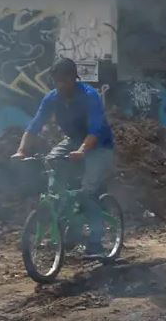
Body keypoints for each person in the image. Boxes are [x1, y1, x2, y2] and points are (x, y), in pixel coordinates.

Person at [12, 58, 115, 258]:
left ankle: (96, 243)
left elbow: (95, 129)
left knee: (87, 192)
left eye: (64, 80)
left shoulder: (90, 96)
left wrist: (82, 151)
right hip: (74, 141)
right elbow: (35, 125)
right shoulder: (51, 98)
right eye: (57, 81)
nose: (60, 85)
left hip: (99, 145)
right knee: (51, 165)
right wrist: (21, 150)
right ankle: (70, 228)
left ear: (74, 79)